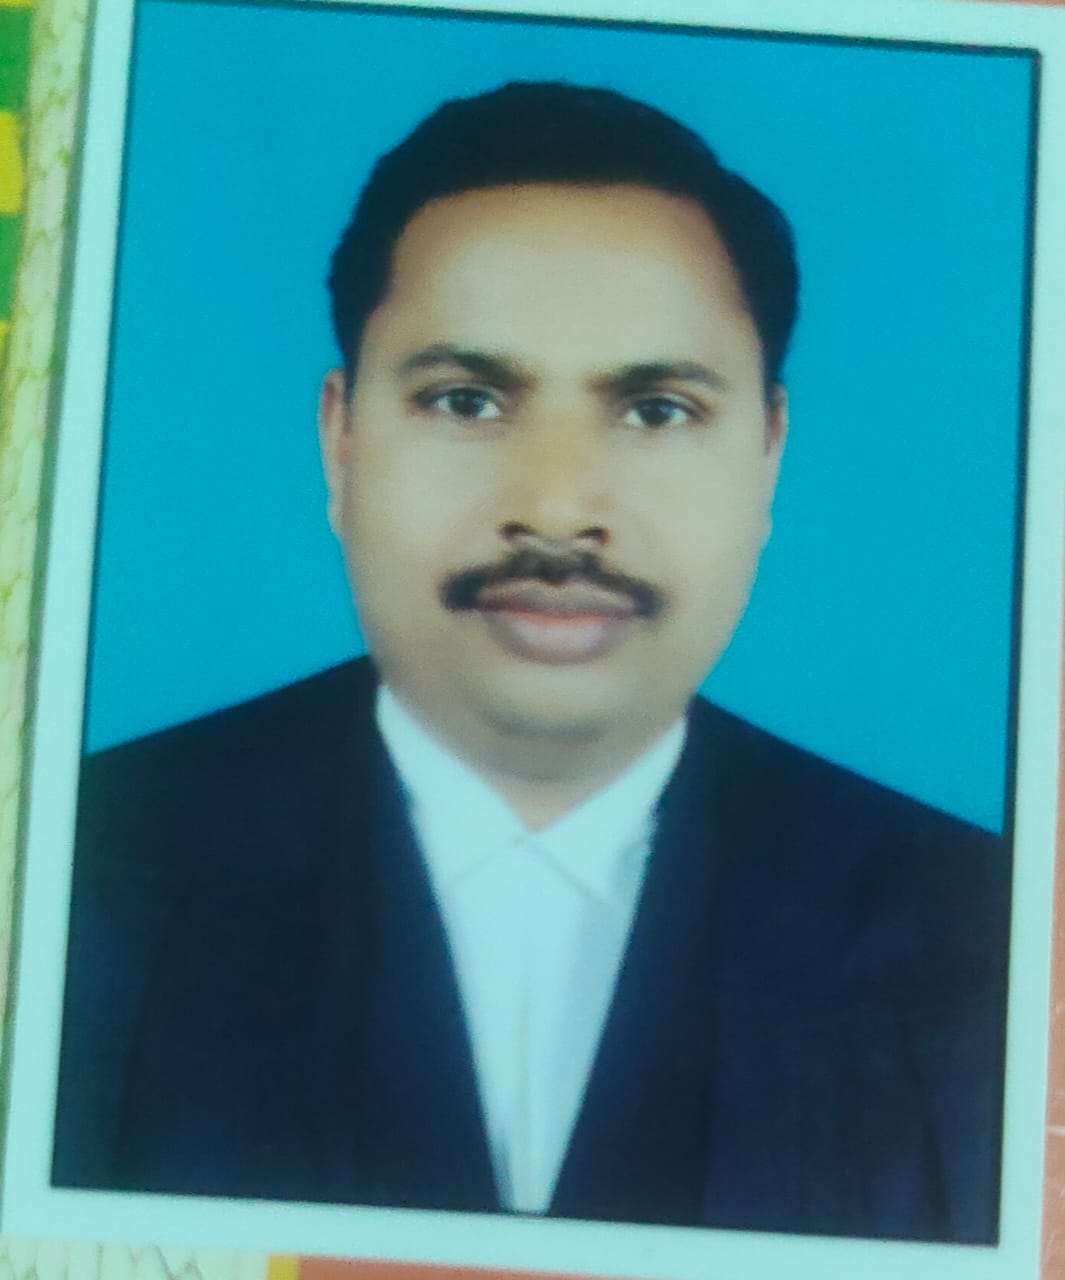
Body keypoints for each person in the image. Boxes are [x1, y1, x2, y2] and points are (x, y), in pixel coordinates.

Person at [53, 82, 1009, 1243]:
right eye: (467, 399)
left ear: (768, 452)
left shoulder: (976, 938)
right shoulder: (69, 872)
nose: (557, 509)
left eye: (656, 409)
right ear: (340, 440)